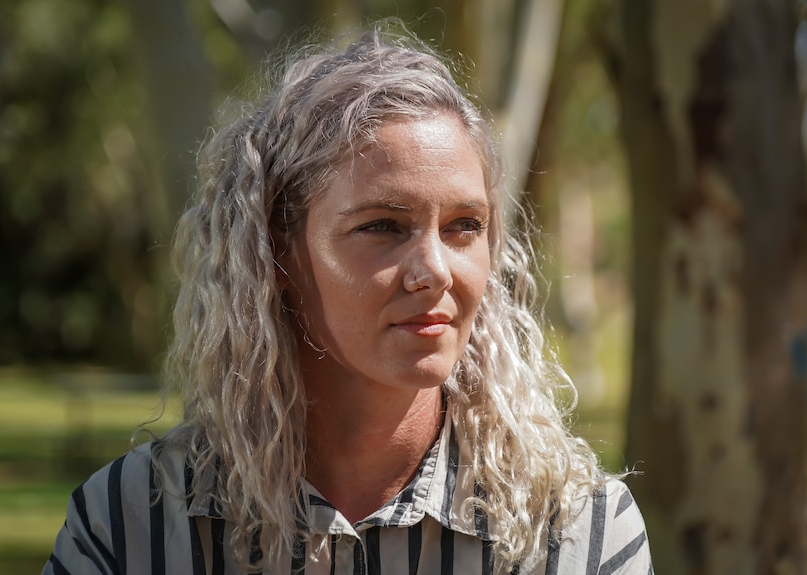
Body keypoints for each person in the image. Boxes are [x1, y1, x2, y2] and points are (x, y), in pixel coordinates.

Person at [44, 22, 652, 575]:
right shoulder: (130, 527)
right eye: (383, 226)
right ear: (276, 253)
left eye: (465, 225)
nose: (434, 271)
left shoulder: (579, 531)